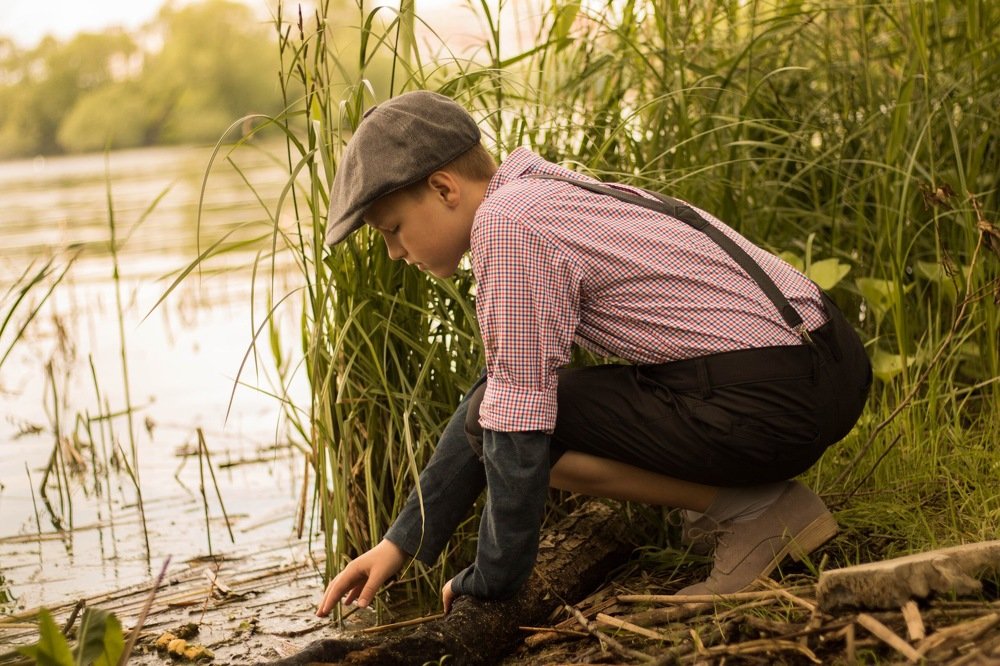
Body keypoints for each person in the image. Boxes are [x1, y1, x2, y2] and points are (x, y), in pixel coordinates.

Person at [314, 90, 872, 617]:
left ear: (442, 189)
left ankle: (755, 511)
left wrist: (492, 580)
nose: (392, 252)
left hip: (774, 398)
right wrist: (403, 541)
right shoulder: (540, 192)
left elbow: (508, 421)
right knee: (498, 407)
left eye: (393, 229)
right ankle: (744, 494)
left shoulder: (507, 227)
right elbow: (496, 390)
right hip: (831, 365)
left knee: (507, 425)